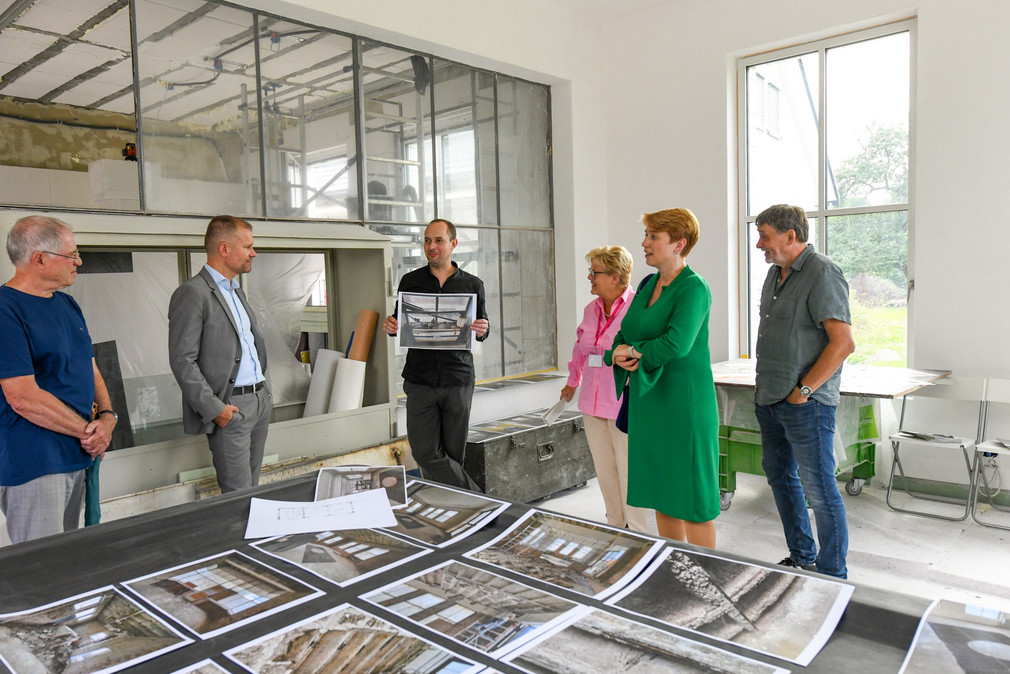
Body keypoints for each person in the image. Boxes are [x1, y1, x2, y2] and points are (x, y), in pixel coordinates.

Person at [753, 204, 855, 579]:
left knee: (821, 490)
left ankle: (831, 574)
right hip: (770, 397)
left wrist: (804, 390)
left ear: (790, 236)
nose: (758, 243)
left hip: (805, 404)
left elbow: (842, 343)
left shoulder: (822, 273)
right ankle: (801, 556)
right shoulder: (775, 275)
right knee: (780, 477)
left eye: (764, 235)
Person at [0, 215, 116, 543]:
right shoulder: (6, 311)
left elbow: (89, 368)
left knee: (68, 560)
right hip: (37, 462)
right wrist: (88, 432)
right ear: (39, 259)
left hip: (77, 454)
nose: (78, 262)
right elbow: (22, 396)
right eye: (71, 255)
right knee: (42, 571)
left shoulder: (67, 304)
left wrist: (107, 419)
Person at [608, 208, 720, 547]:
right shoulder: (647, 284)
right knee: (662, 494)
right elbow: (626, 331)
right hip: (650, 403)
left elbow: (676, 343)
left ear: (678, 243)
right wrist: (616, 351)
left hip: (684, 406)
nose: (644, 243)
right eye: (646, 235)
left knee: (693, 502)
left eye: (653, 236)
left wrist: (633, 351)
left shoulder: (694, 288)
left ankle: (706, 577)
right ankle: (675, 569)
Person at [383, 219, 489, 490]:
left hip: (458, 378)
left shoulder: (473, 284)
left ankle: (450, 512)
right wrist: (392, 326)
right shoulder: (410, 280)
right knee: (425, 452)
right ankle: (479, 500)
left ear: (453, 244)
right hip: (420, 380)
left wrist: (482, 329)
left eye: (438, 240)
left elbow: (481, 328)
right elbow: (400, 323)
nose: (432, 246)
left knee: (454, 455)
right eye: (428, 240)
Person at [168, 215, 272, 493]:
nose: (254, 253)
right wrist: (217, 410)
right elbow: (182, 360)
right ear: (224, 249)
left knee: (253, 491)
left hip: (258, 402)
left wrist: (265, 395)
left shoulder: (236, 292)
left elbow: (248, 347)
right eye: (247, 247)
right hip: (231, 408)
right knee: (238, 497)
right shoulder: (192, 293)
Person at [561, 246, 652, 532]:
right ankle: (615, 523)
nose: (589, 277)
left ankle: (638, 531)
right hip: (591, 401)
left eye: (595, 272)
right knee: (604, 470)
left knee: (629, 470)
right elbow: (581, 348)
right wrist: (571, 381)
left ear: (615, 277)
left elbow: (645, 351)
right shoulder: (591, 309)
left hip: (624, 403)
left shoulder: (639, 307)